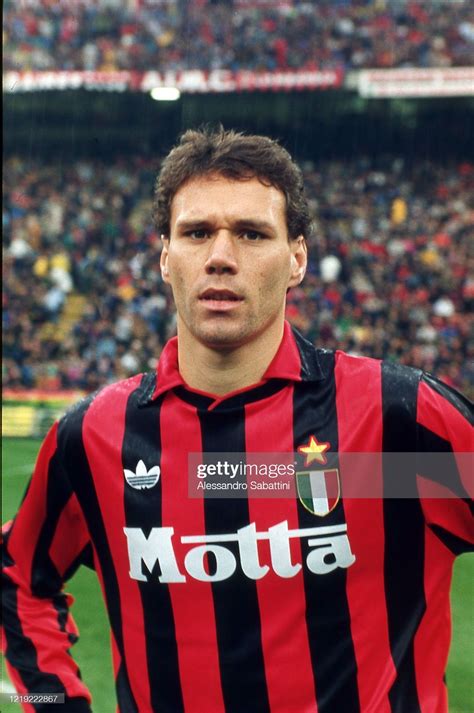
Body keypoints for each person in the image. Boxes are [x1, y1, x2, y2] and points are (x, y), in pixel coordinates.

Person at [2, 127, 472, 713]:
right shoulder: (96, 439)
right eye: (197, 233)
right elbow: (17, 577)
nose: (221, 256)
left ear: (297, 258)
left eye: (251, 234)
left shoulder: (397, 421)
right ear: (166, 257)